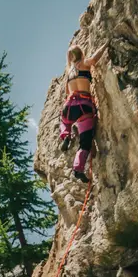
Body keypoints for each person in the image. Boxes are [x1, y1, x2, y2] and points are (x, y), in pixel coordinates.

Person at [59, 42, 109, 183]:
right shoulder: (84, 63)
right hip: (84, 107)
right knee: (85, 142)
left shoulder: (69, 73)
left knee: (64, 120)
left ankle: (65, 136)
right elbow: (94, 59)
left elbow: (67, 93)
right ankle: (78, 169)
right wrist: (105, 44)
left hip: (69, 107)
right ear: (80, 53)